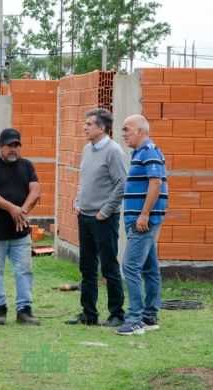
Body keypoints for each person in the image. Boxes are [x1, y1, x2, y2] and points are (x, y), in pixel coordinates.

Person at [66, 108, 127, 327]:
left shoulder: (114, 151)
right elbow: (85, 179)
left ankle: (117, 314)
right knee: (87, 267)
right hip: (85, 216)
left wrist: (106, 210)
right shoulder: (87, 149)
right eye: (85, 123)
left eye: (89, 124)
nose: (85, 127)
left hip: (104, 218)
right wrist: (77, 201)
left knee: (109, 267)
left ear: (102, 127)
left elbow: (122, 183)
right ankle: (89, 314)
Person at [0, 128, 41, 326]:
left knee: (24, 271)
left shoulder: (27, 166)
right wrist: (11, 208)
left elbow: (36, 191)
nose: (13, 149)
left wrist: (22, 210)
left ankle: (24, 311)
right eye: (9, 146)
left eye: (16, 145)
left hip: (20, 232)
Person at [116, 114, 168, 336]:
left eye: (127, 129)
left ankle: (135, 319)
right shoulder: (141, 152)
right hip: (140, 220)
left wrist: (144, 214)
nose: (124, 134)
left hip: (143, 222)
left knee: (130, 266)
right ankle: (149, 316)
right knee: (149, 268)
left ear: (140, 130)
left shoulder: (148, 151)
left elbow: (155, 183)